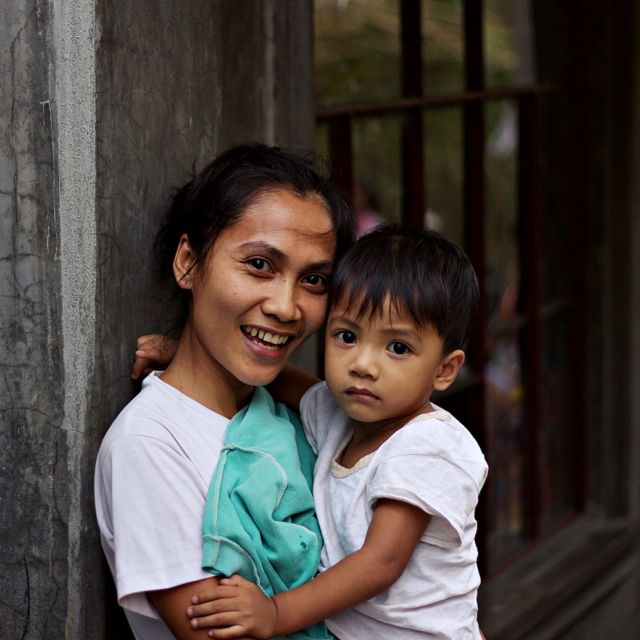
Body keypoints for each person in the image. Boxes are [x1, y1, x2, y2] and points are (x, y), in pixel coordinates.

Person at [171, 224, 488, 639]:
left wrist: (275, 613)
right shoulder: (341, 414)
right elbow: (283, 382)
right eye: (346, 336)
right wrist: (184, 358)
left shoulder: (426, 445)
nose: (363, 364)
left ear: (445, 369)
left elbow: (380, 564)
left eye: (398, 348)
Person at [94, 143, 355, 640]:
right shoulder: (150, 447)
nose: (286, 306)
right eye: (259, 264)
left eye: (314, 279)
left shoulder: (294, 413)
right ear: (189, 263)